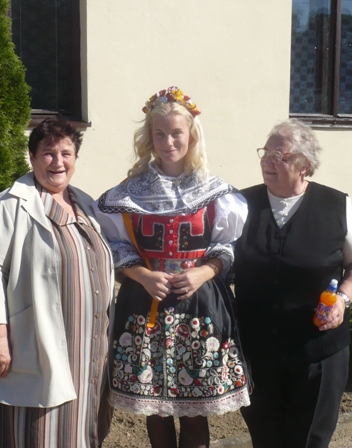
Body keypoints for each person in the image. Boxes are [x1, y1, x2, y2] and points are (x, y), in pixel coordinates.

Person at [93, 86, 251, 448]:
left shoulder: (214, 191)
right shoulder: (127, 192)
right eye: (159, 134)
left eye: (176, 133)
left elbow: (227, 245)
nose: (168, 142)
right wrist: (143, 275)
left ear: (191, 134)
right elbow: (112, 244)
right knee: (156, 410)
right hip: (145, 304)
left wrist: (204, 272)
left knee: (195, 409)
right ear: (149, 137)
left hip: (199, 306)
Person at [0, 118, 115, 448]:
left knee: (82, 423)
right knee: (38, 427)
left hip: (89, 346)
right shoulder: (8, 205)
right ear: (32, 157)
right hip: (35, 339)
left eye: (66, 153)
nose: (58, 161)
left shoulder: (85, 204)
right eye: (48, 153)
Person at [233, 119, 352, 448]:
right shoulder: (240, 204)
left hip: (317, 352)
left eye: (280, 156)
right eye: (265, 153)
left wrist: (343, 299)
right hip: (257, 350)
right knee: (265, 437)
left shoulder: (335, 205)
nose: (268, 162)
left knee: (309, 438)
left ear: (304, 166)